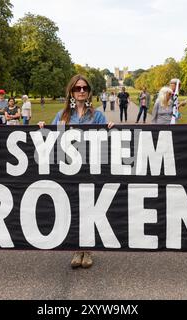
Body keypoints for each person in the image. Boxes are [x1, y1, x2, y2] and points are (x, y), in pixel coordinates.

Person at [38, 74, 114, 269]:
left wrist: (111, 129)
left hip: (89, 169)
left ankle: (87, 250)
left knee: (89, 208)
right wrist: (41, 129)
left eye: (85, 88)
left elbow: (106, 140)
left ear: (89, 92)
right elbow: (51, 138)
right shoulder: (62, 115)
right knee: (72, 208)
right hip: (69, 171)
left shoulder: (96, 115)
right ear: (71, 91)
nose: (81, 91)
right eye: (77, 88)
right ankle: (75, 248)